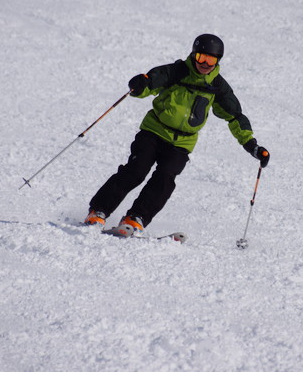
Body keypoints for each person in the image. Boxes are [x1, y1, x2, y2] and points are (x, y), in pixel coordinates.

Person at [84, 34, 270, 236]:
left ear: (218, 61)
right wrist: (140, 85)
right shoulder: (176, 71)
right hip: (154, 131)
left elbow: (235, 117)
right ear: (193, 55)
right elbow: (151, 82)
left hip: (182, 143)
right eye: (201, 58)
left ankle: (136, 218)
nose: (205, 64)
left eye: (211, 60)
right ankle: (98, 211)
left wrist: (252, 145)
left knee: (165, 178)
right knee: (136, 170)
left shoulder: (218, 86)